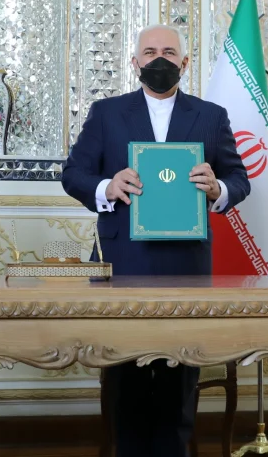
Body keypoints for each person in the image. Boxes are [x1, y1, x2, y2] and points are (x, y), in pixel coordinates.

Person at [61, 24, 250, 457]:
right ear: (135, 63)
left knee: (180, 375)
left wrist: (218, 188)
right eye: (149, 51)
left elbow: (239, 179)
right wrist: (107, 187)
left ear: (185, 63)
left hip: (186, 263)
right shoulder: (106, 113)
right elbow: (73, 174)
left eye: (169, 51)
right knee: (123, 373)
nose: (158, 59)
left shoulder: (211, 115)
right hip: (121, 260)